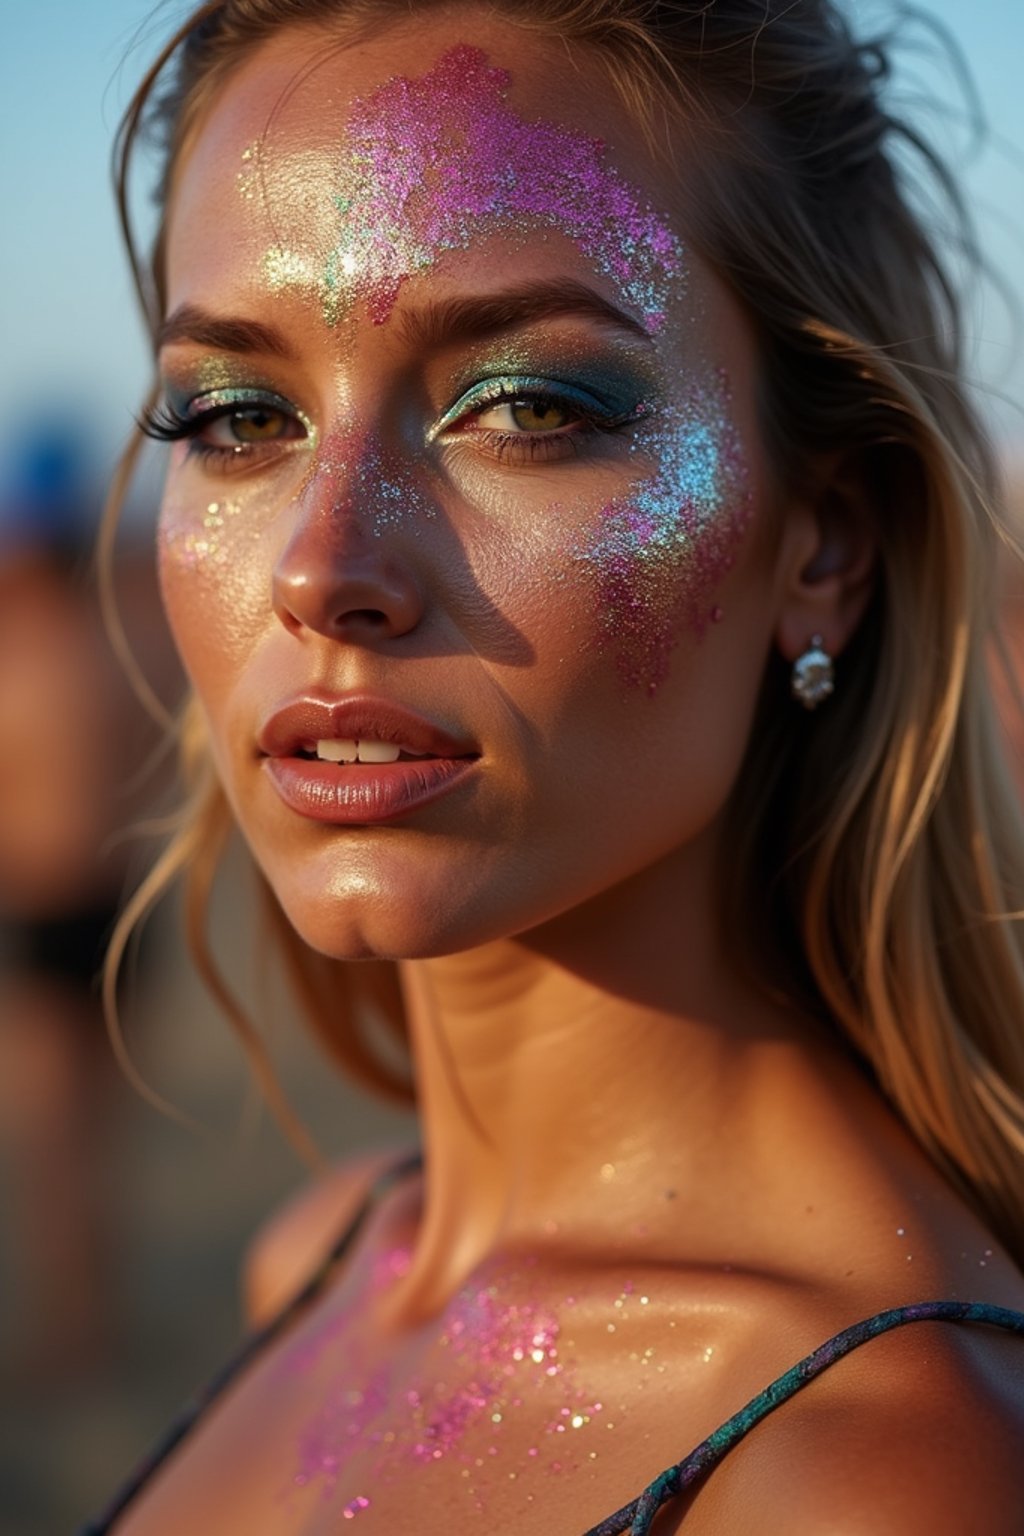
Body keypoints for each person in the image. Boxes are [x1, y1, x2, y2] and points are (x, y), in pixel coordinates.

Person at [84, 1, 1024, 1531]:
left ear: (825, 541)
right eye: (239, 417)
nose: (324, 571)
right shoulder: (321, 1257)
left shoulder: (882, 1469)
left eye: (527, 405)